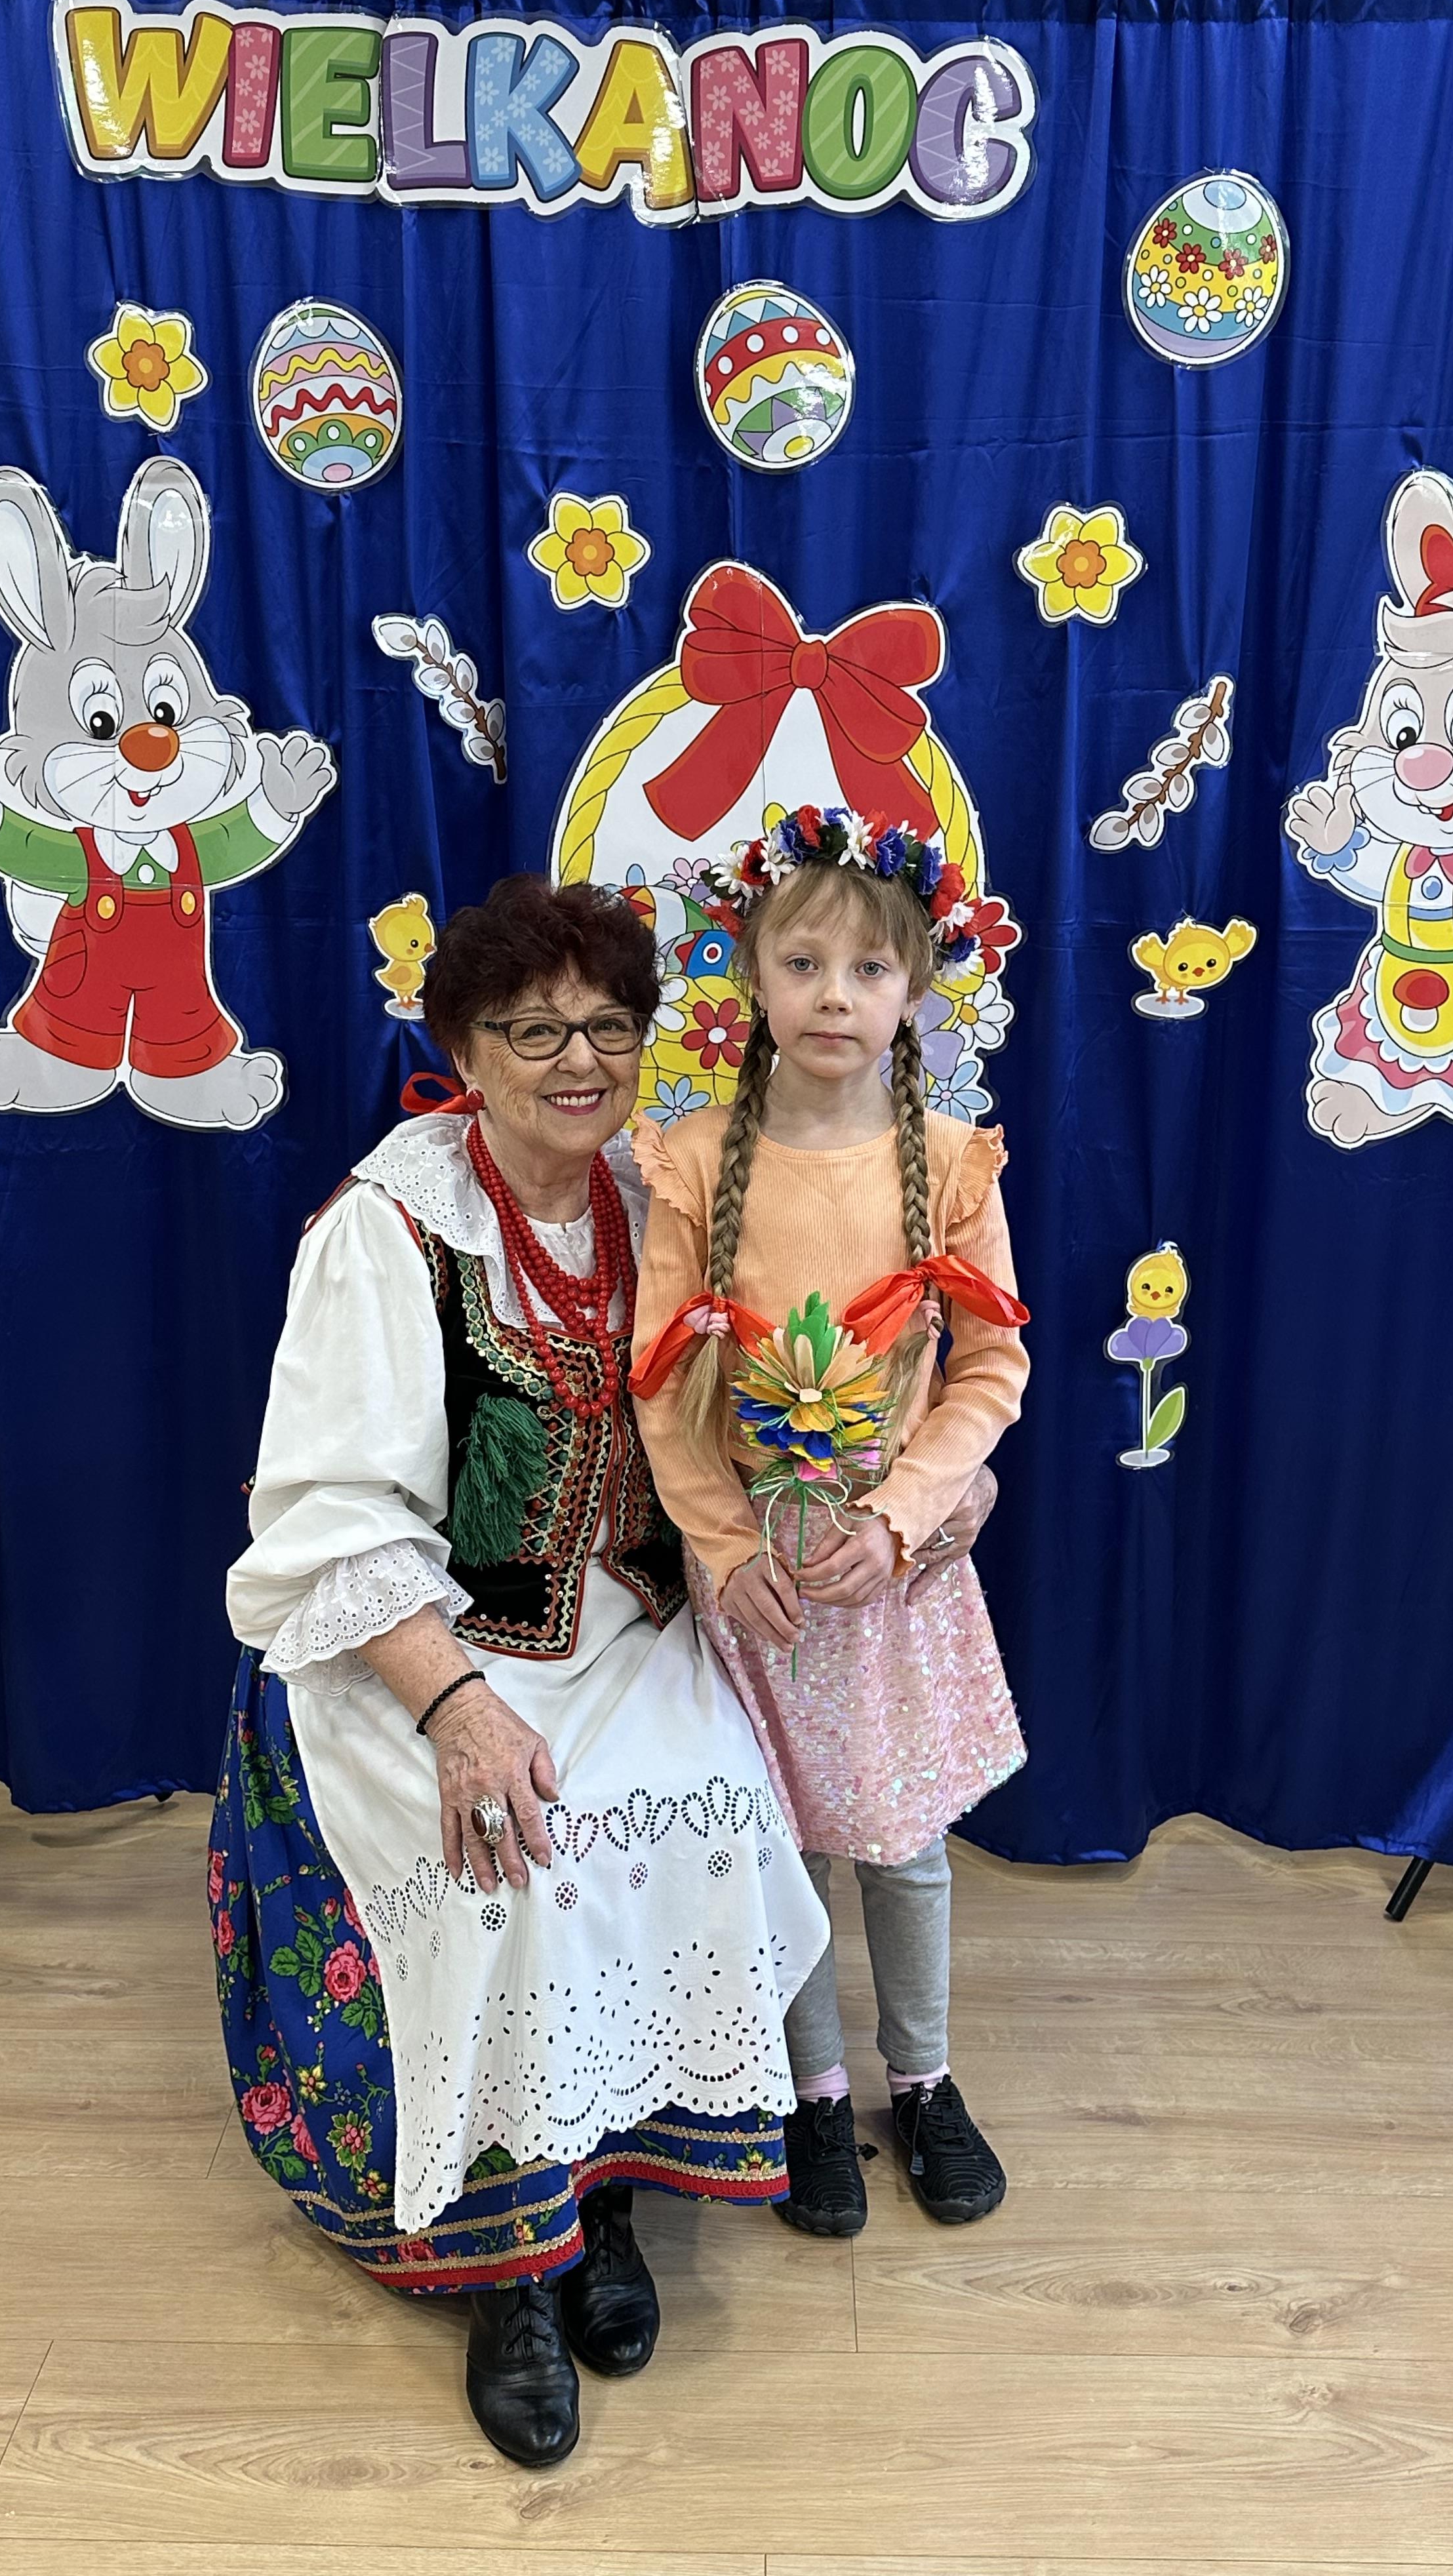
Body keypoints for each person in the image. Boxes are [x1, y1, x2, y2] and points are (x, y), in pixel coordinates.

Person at [214, 875, 827, 2468]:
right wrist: (457, 1706)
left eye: (609, 1028)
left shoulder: (657, 1190)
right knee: (515, 1866)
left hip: (620, 1619)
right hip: (415, 1644)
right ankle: (506, 2265)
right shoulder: (393, 1227)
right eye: (533, 1031)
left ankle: (601, 2189)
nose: (578, 1061)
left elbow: (750, 1398)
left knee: (707, 1809)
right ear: (462, 1051)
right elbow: (332, 1515)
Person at [630, 806, 1029, 2242]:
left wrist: (911, 1513)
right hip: (760, 1583)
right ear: (751, 975)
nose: (834, 997)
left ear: (914, 989)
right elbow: (665, 1386)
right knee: (781, 1838)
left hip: (892, 1576)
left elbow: (990, 1369)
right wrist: (727, 1547)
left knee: (902, 1841)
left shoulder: (951, 1163)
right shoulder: (693, 1162)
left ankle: (922, 2080)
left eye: (868, 970)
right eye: (801, 964)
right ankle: (812, 2093)